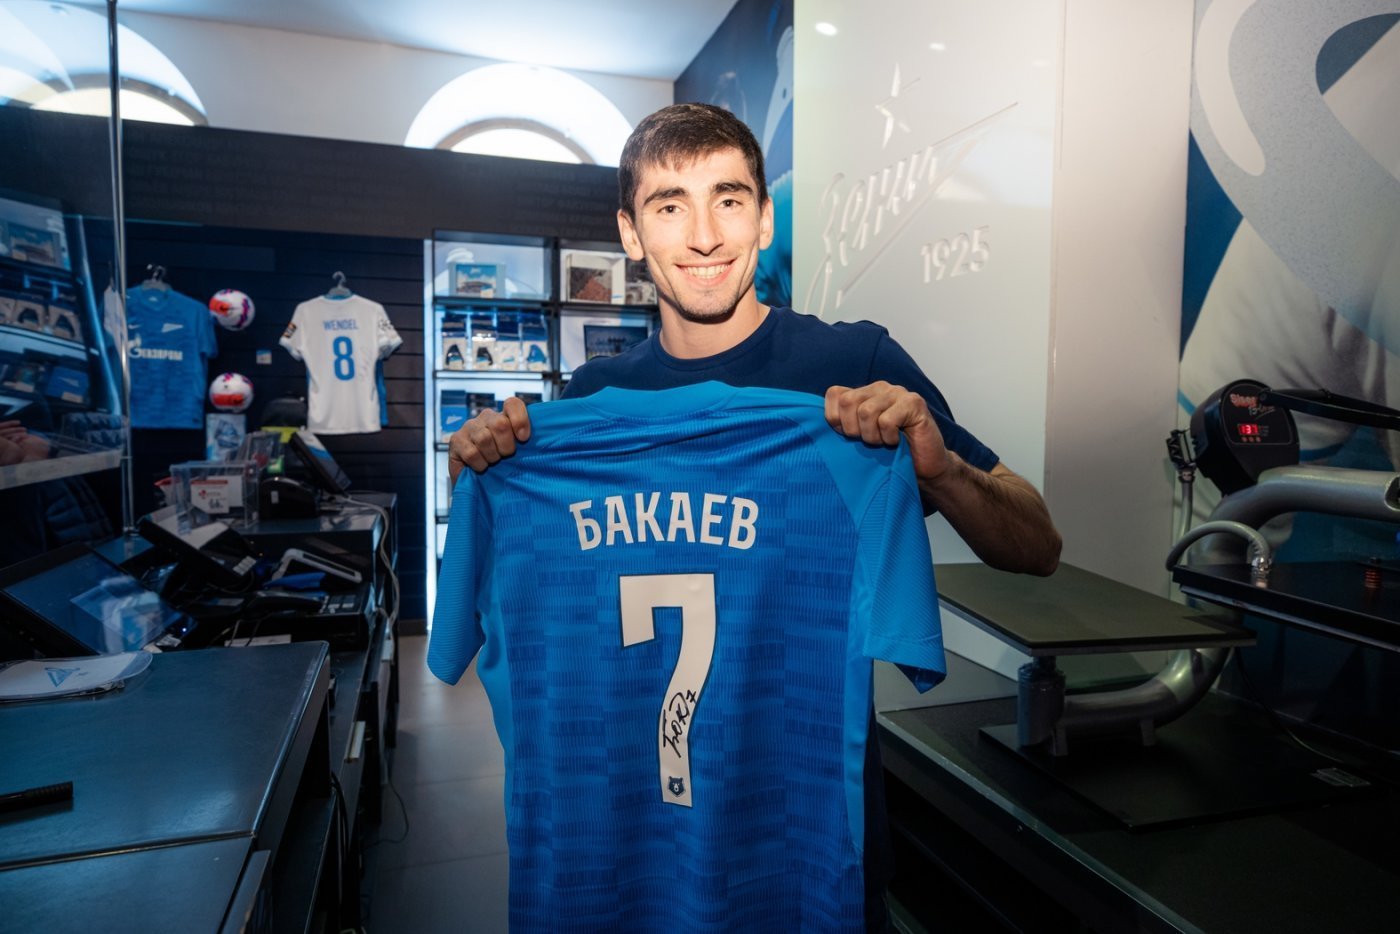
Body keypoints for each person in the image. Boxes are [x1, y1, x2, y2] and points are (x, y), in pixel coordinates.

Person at [445, 102, 1062, 927]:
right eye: (670, 206)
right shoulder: (588, 405)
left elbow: (1037, 544)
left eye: (728, 200)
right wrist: (487, 472)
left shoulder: (853, 365)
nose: (705, 236)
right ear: (631, 234)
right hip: (636, 859)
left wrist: (940, 469)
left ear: (764, 219)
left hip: (806, 850)